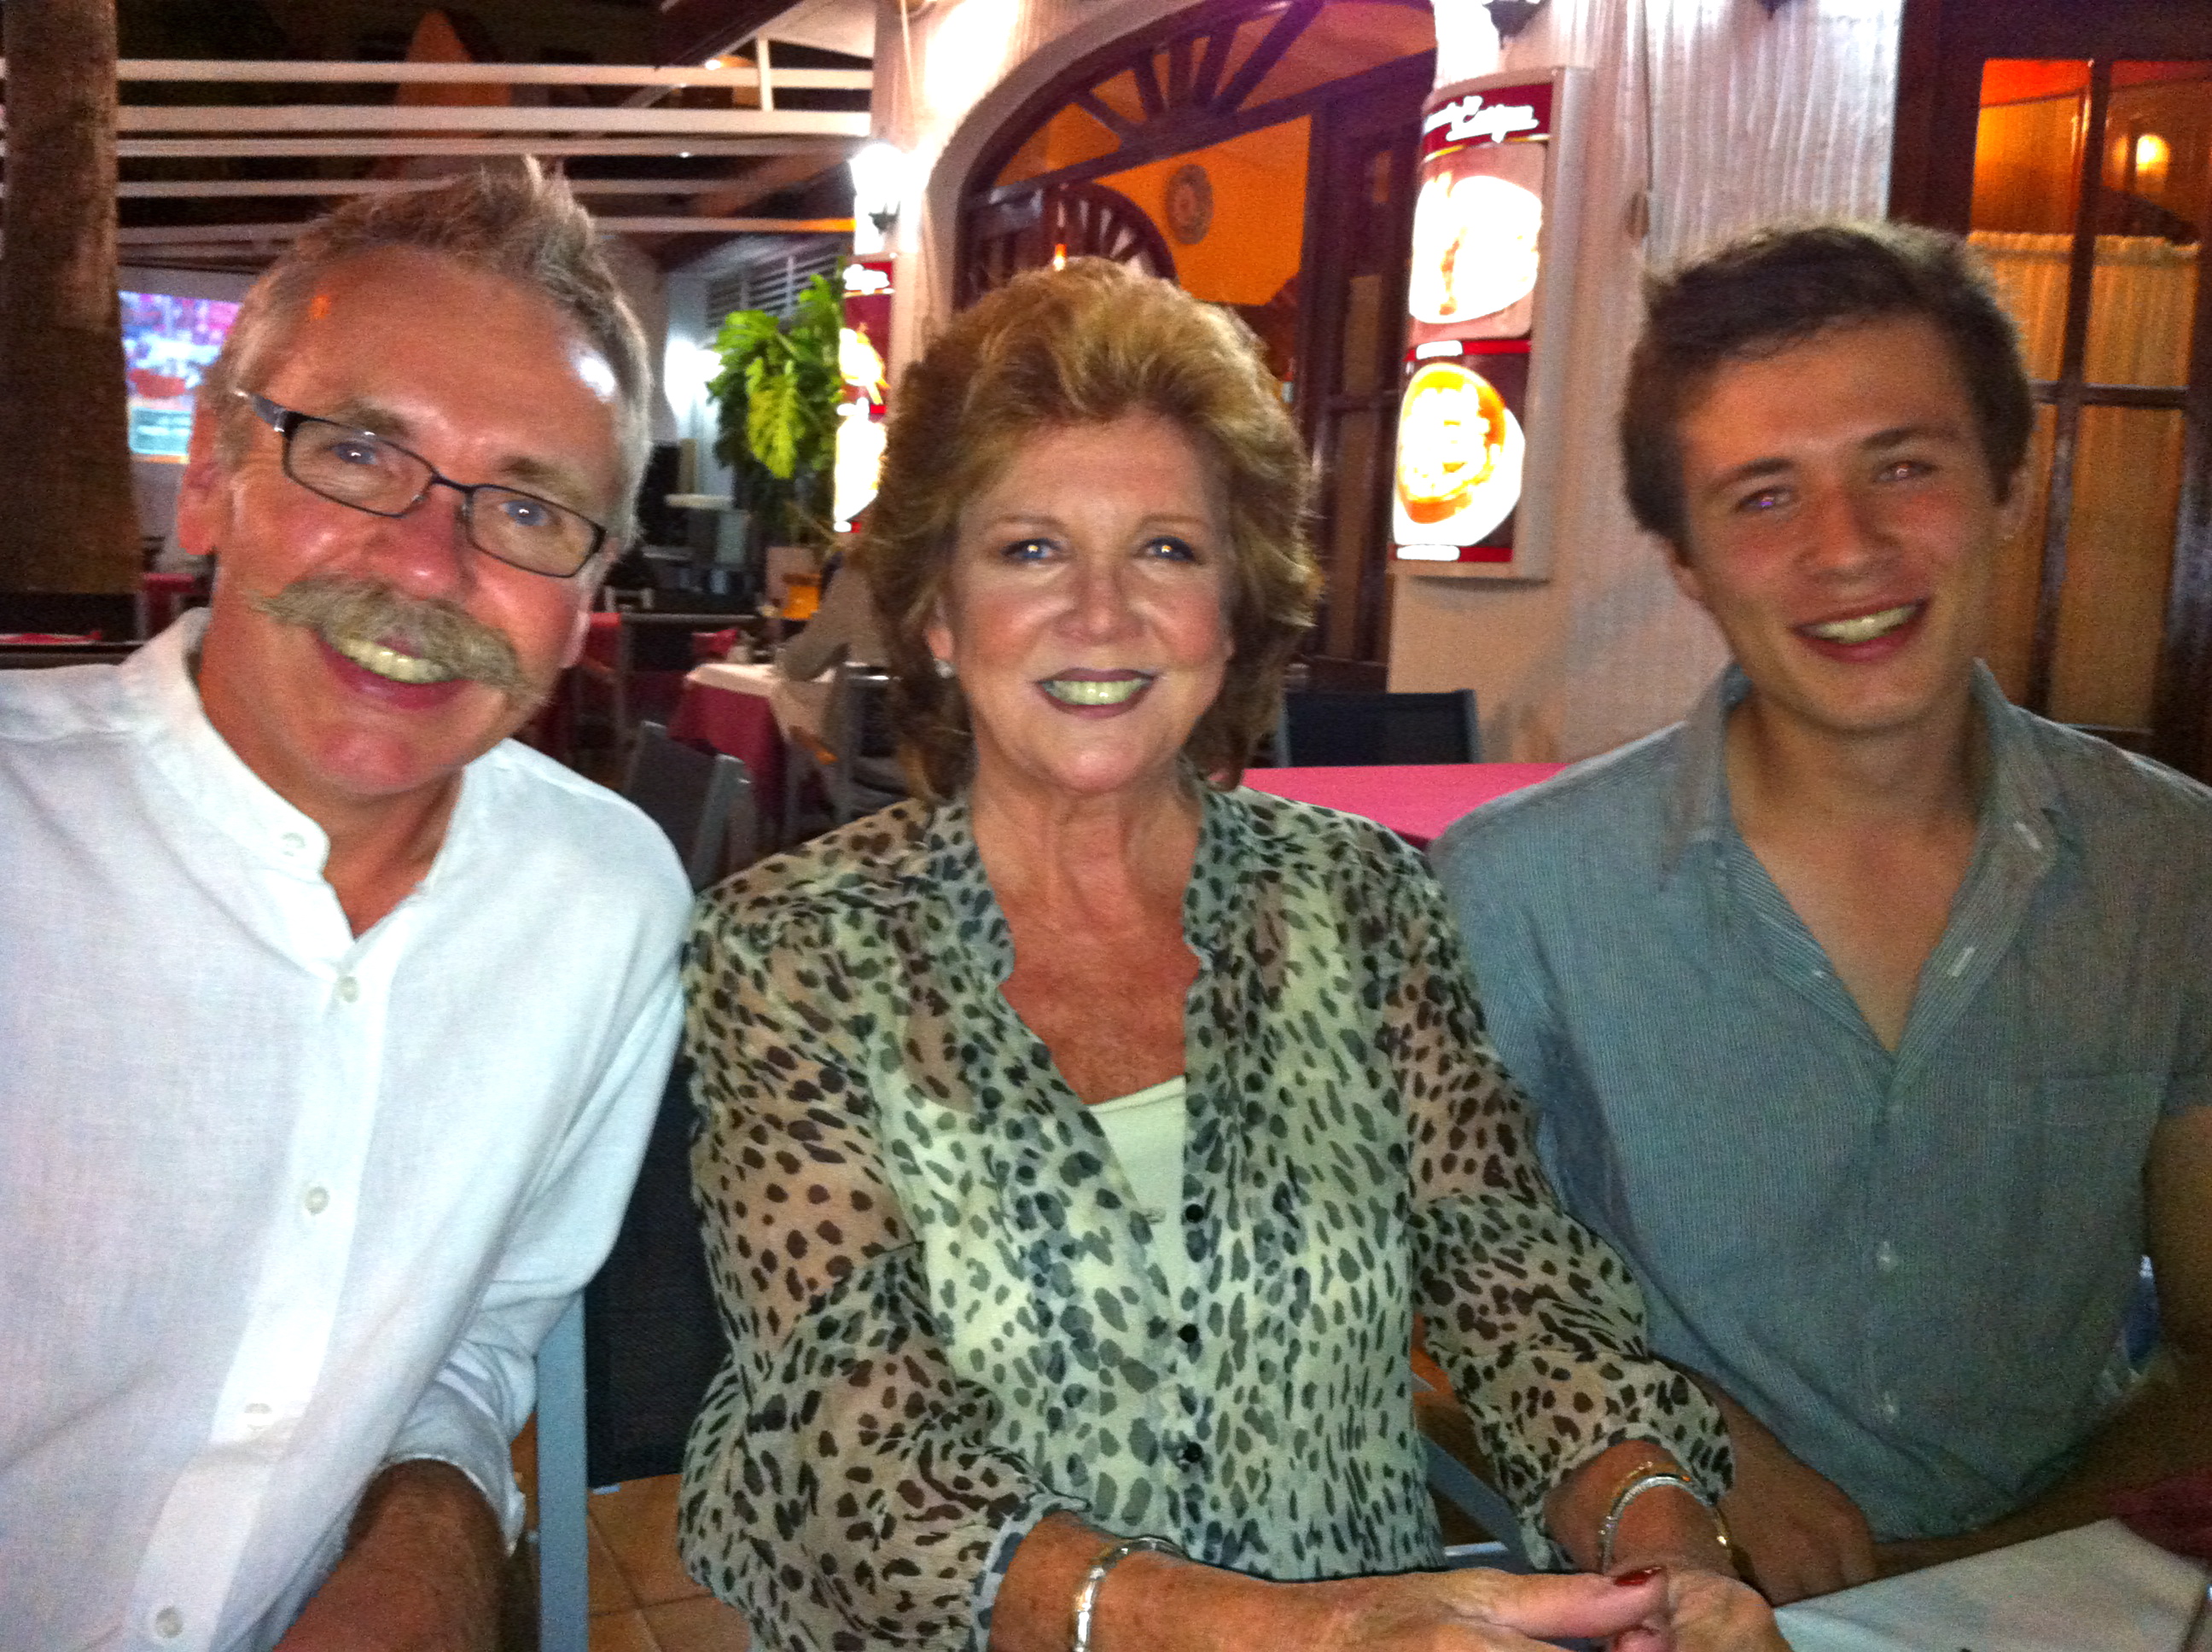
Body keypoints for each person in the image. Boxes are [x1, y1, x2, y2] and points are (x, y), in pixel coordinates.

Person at [679, 259, 1783, 1652]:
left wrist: (1659, 1547)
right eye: (1029, 549)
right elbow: (861, 1461)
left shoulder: (1367, 905)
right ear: (940, 619)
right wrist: (1294, 1634)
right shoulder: (789, 955)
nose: (1101, 612)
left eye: (1166, 549)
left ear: (1234, 608)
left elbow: (1516, 1293)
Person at [1429, 220, 2212, 1604]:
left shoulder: (2174, 866)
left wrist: (2006, 1566)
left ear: (2009, 484)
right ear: (1682, 555)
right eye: (1764, 496)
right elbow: (1430, 1313)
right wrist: (1673, 1455)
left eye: (1903, 466)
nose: (1848, 550)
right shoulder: (1517, 894)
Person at [0, 166, 692, 1649]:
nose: (428, 564)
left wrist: (433, 1535)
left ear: (586, 599)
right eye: (361, 453)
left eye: (524, 507)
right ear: (210, 476)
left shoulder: (608, 907)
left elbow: (491, 1322)